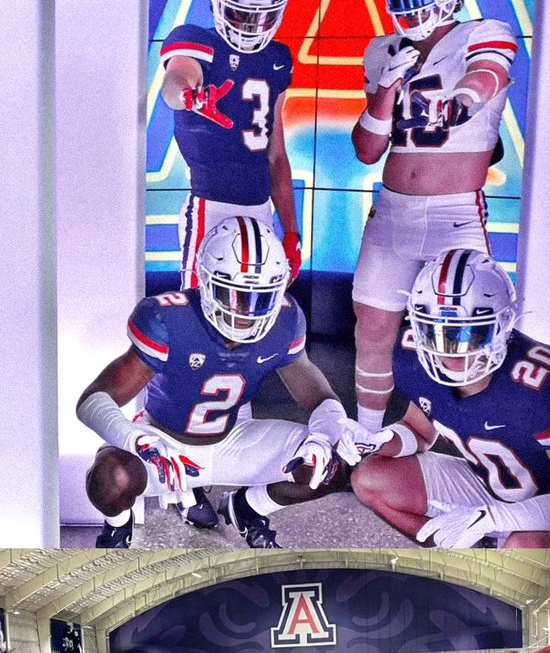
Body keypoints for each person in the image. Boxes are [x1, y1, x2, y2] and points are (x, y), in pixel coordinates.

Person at [76, 217, 389, 549]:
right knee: (110, 478)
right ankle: (117, 526)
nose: (247, 312)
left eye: (260, 297)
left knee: (330, 466)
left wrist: (328, 433)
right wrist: (138, 440)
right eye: (234, 294)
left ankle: (248, 508)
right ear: (206, 282)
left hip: (235, 439)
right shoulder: (170, 319)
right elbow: (93, 399)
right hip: (166, 441)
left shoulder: (284, 320)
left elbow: (317, 394)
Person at [159, 0, 301, 526]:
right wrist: (191, 94)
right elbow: (177, 79)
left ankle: (232, 449)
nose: (252, 26)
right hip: (210, 209)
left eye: (265, 14)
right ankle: (182, 469)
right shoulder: (195, 38)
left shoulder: (278, 59)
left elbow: (276, 156)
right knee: (199, 330)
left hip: (258, 212)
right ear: (219, 2)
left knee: (251, 332)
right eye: (242, 12)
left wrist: (289, 229)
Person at [351, 0, 517, 431]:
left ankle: (478, 440)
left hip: (455, 212)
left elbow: (485, 75)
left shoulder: (485, 32)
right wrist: (386, 88)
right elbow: (367, 150)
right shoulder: (382, 51)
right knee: (372, 328)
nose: (411, 7)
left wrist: (460, 102)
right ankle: (365, 436)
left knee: (466, 331)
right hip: (391, 210)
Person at [351, 249, 550, 547]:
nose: (450, 350)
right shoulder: (413, 358)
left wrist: (493, 519)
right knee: (369, 478)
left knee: (523, 545)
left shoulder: (543, 386)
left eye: (468, 333)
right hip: (485, 484)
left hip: (543, 509)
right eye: (435, 332)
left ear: (503, 325)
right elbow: (418, 431)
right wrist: (381, 440)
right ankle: (456, 550)